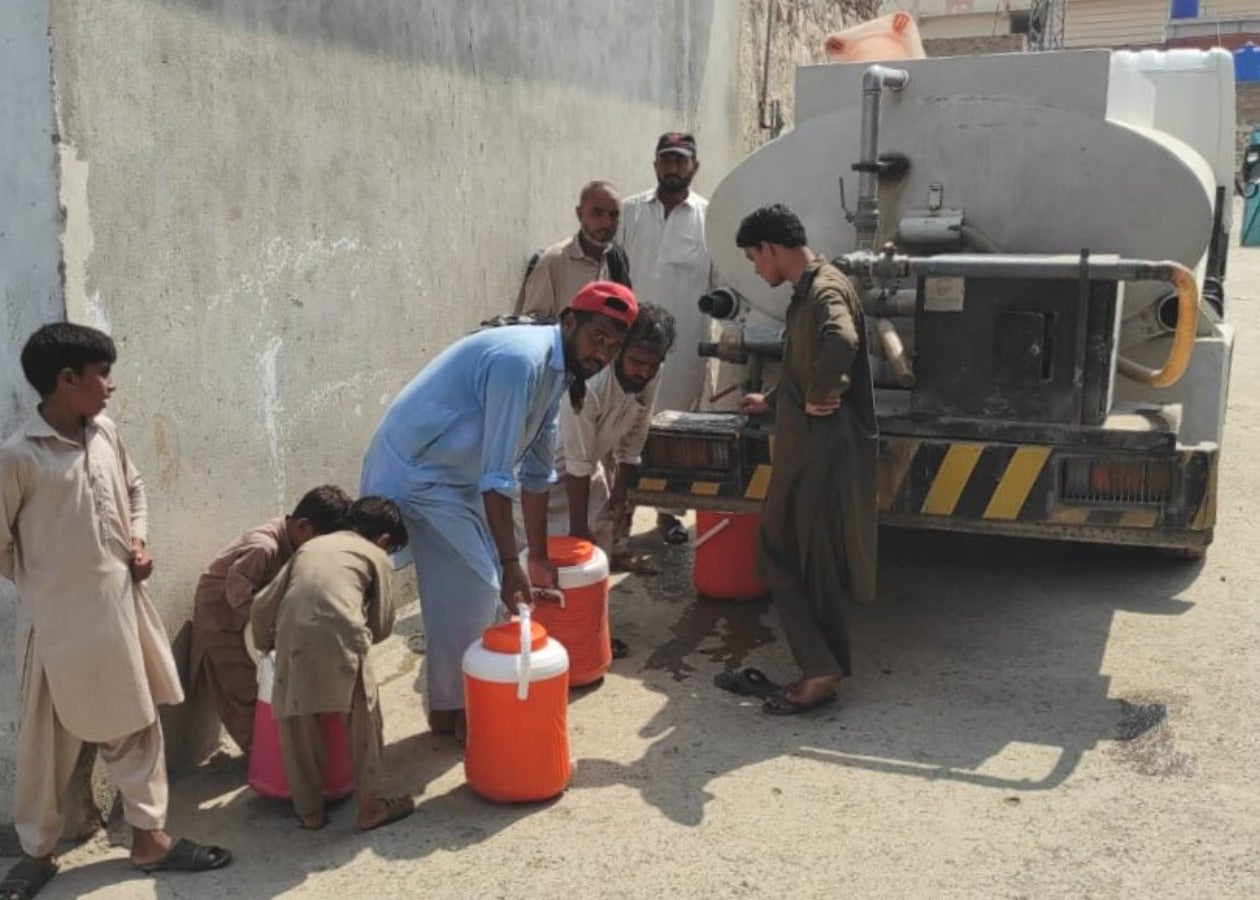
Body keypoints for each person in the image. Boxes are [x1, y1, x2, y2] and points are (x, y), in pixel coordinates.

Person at [0, 323, 231, 900]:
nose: (111, 386)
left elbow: (133, 490)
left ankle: (149, 839)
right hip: (57, 628)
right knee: (44, 744)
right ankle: (37, 853)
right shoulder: (20, 457)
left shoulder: (104, 432)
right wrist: (48, 584)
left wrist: (138, 543)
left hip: (121, 615)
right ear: (67, 379)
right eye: (102, 374)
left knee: (138, 728)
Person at [360, 282, 638, 739]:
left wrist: (538, 559)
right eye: (599, 336)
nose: (604, 352)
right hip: (418, 470)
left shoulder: (557, 372)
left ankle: (451, 710)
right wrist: (513, 565)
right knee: (483, 587)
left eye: (614, 344)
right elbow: (497, 477)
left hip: (453, 474)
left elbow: (535, 470)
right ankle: (459, 709)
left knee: (465, 591)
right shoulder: (520, 360)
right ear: (570, 321)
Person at [734, 205, 878, 716]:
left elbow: (840, 339)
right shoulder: (811, 289)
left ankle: (820, 670)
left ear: (771, 248)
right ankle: (823, 665)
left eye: (755, 258)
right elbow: (805, 355)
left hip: (815, 452)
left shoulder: (824, 290)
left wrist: (822, 390)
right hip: (805, 448)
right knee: (805, 558)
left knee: (781, 552)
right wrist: (773, 400)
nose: (756, 269)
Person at [250, 496, 413, 832]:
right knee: (364, 721)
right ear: (384, 541)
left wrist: (266, 645)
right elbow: (381, 626)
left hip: (291, 636)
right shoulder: (375, 557)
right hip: (344, 635)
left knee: (297, 724)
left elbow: (263, 604)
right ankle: (370, 808)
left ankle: (310, 813)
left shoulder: (309, 548)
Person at [189, 485, 352, 758]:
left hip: (248, 616)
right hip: (222, 621)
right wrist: (274, 628)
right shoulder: (263, 548)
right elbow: (237, 595)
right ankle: (263, 756)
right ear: (303, 526)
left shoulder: (292, 538)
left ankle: (275, 750)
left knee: (267, 686)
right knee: (242, 693)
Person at [619, 131, 715, 545]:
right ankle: (618, 513)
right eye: (665, 159)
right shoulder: (629, 212)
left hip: (684, 350)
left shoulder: (711, 218)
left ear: (695, 165)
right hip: (629, 346)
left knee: (674, 431)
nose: (672, 167)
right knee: (620, 426)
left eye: (680, 160)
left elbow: (721, 284)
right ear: (655, 164)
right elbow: (614, 272)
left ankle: (670, 513)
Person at [552, 302, 677, 576]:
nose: (644, 373)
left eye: (652, 365)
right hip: (547, 478)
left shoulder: (650, 374)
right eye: (637, 362)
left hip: (587, 469)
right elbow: (577, 464)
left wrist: (621, 485)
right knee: (558, 563)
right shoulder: (588, 385)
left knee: (602, 541)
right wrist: (578, 529)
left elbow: (638, 429)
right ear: (618, 350)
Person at [517, 181, 632, 318]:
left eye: (613, 215)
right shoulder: (553, 263)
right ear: (579, 214)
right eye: (597, 213)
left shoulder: (616, 259)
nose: (606, 223)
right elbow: (533, 323)